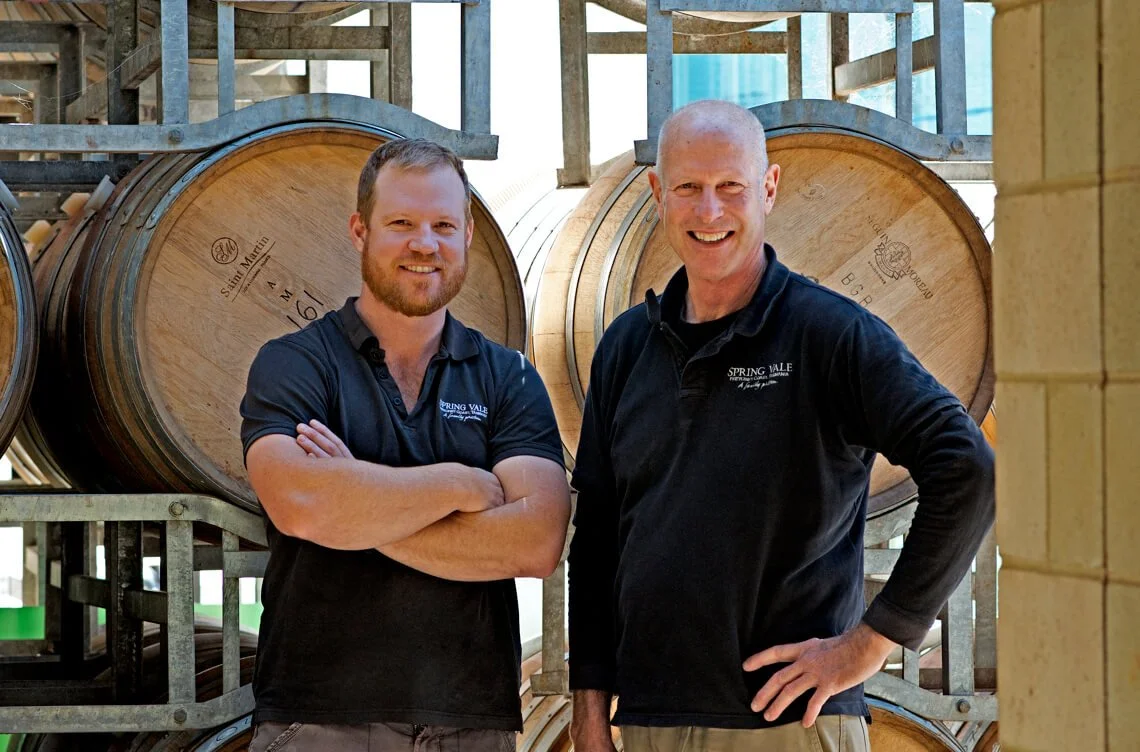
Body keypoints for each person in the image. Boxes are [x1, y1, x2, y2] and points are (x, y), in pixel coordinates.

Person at [567, 100, 995, 752]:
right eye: (688, 188)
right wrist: (590, 706)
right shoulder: (628, 346)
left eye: (730, 187)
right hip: (650, 720)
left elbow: (964, 466)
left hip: (788, 727)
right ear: (658, 193)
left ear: (768, 188)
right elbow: (596, 541)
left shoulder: (830, 334)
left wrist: (870, 644)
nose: (709, 212)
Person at [240, 138, 571, 752]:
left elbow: (536, 540)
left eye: (443, 224)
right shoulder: (296, 364)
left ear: (468, 233)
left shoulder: (509, 377)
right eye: (401, 223)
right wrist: (460, 485)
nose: (425, 244)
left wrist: (357, 502)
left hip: (474, 723)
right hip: (320, 720)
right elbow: (301, 505)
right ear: (360, 229)